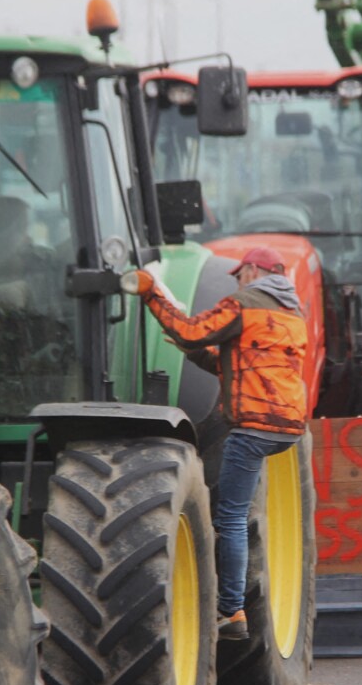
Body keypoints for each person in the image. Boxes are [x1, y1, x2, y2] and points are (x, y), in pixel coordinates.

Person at [123, 247, 308, 640]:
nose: (236, 281)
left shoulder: (243, 304)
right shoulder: (293, 313)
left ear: (254, 272)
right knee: (238, 515)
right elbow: (237, 366)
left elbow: (189, 328)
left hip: (253, 426)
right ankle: (232, 603)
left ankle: (231, 611)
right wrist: (195, 354)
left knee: (232, 520)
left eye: (240, 274)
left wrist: (151, 293)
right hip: (287, 427)